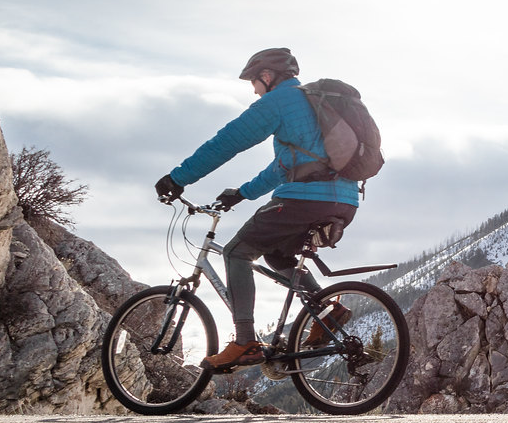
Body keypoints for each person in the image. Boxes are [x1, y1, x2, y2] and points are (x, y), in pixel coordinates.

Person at [154, 48, 360, 372]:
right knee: (277, 255)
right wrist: (242, 194)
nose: (253, 90)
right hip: (346, 200)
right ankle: (325, 311)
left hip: (305, 200)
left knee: (237, 252)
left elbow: (228, 141)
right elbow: (285, 167)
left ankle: (245, 342)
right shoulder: (311, 106)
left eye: (254, 82)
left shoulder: (280, 101)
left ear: (267, 76)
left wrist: (178, 178)